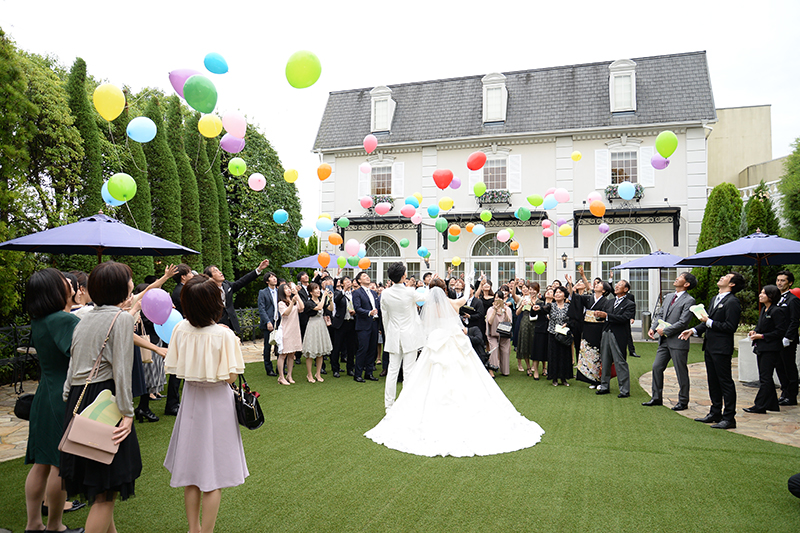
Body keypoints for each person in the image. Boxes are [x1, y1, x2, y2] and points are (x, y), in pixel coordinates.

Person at [364, 281, 545, 457]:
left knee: (427, 376)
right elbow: (466, 297)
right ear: (445, 290)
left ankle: (416, 407)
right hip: (455, 342)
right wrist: (470, 282)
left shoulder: (428, 306)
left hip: (436, 343)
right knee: (466, 375)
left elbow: (424, 325)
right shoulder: (454, 303)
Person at [163, 274, 248, 533]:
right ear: (214, 303)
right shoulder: (224, 335)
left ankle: (194, 529)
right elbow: (230, 377)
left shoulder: (180, 329)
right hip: (217, 400)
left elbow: (176, 367)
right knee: (213, 476)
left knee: (192, 471)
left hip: (191, 398)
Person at [61, 261, 141, 533]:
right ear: (121, 287)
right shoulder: (121, 319)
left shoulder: (83, 317)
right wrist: (128, 413)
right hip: (104, 401)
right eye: (129, 279)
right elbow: (122, 370)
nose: (132, 283)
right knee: (107, 491)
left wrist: (68, 398)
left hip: (78, 399)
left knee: (101, 485)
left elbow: (73, 365)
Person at [23, 269, 85, 533]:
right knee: (60, 465)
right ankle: (55, 525)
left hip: (44, 394)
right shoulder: (62, 319)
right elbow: (80, 354)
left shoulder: (40, 319)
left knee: (42, 463)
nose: (70, 283)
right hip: (62, 397)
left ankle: (34, 524)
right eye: (64, 282)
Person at [680, 272, 744, 430]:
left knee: (725, 382)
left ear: (732, 284)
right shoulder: (715, 298)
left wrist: (709, 322)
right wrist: (693, 330)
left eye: (727, 277)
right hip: (710, 346)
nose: (722, 277)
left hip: (722, 348)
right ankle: (715, 412)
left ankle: (729, 417)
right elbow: (706, 321)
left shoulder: (733, 302)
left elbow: (730, 327)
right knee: (713, 381)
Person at [643, 272, 697, 410]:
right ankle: (656, 397)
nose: (677, 278)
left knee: (680, 371)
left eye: (680, 277)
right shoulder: (668, 297)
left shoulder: (689, 300)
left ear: (686, 284)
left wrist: (665, 331)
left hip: (678, 341)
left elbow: (683, 322)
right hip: (664, 341)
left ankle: (683, 401)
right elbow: (660, 314)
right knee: (656, 367)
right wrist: (653, 328)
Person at [380, 262, 427, 411]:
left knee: (392, 371)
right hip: (410, 335)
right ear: (403, 276)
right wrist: (430, 285)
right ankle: (406, 404)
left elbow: (385, 317)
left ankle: (389, 405)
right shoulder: (410, 292)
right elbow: (425, 298)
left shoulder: (385, 293)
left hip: (394, 335)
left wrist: (388, 334)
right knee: (408, 371)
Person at [744, 285, 788, 414]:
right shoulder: (764, 309)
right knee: (765, 376)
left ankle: (760, 405)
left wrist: (762, 336)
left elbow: (780, 331)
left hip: (771, 348)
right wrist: (755, 331)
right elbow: (760, 326)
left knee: (765, 378)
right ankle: (772, 404)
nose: (760, 295)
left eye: (763, 293)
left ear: (771, 296)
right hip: (761, 347)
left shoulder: (777, 311)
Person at [203, 259, 270, 333]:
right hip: (217, 326)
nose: (220, 272)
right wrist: (214, 324)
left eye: (219, 270)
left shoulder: (227, 285)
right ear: (210, 277)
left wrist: (259, 269)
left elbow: (242, 281)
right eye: (215, 271)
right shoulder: (207, 291)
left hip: (232, 324)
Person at [594, 280, 636, 398]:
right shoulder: (610, 302)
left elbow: (624, 318)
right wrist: (599, 316)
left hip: (619, 335)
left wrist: (607, 316)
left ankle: (624, 390)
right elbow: (605, 316)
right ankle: (604, 386)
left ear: (626, 289)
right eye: (616, 284)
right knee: (605, 360)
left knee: (620, 361)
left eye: (620, 285)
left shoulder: (629, 304)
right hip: (606, 332)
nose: (616, 286)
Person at [573, 272, 612, 388]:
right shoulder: (589, 298)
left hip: (599, 329)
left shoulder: (607, 302)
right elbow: (577, 298)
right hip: (587, 328)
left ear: (604, 291)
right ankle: (591, 379)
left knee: (598, 354)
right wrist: (572, 286)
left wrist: (600, 315)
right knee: (588, 354)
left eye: (599, 284)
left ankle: (599, 380)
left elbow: (607, 315)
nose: (596, 285)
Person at [774, 270, 800, 406]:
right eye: (778, 280)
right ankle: (784, 392)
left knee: (788, 366)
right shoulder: (776, 298)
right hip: (776, 338)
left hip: (787, 340)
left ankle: (792, 395)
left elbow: (795, 321)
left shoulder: (793, 300)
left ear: (790, 283)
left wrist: (788, 338)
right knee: (779, 366)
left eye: (783, 280)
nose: (779, 283)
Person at [302, 282, 333, 383]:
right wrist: (324, 296)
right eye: (316, 289)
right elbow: (319, 307)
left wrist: (330, 299)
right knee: (310, 352)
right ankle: (309, 374)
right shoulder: (309, 302)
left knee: (320, 352)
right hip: (312, 326)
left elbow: (331, 308)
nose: (318, 290)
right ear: (311, 292)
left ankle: (318, 373)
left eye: (319, 288)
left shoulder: (321, 300)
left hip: (321, 325)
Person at [352, 272, 380, 382]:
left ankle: (369, 373)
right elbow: (357, 308)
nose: (367, 277)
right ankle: (358, 374)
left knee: (372, 349)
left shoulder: (373, 293)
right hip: (363, 325)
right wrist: (369, 313)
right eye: (364, 276)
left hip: (374, 323)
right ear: (359, 280)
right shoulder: (357, 292)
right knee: (363, 349)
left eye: (367, 275)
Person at [276, 283, 304, 385]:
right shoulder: (281, 303)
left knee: (292, 354)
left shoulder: (294, 300)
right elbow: (286, 313)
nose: (288, 290)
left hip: (294, 330)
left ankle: (289, 375)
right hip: (286, 330)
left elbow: (302, 308)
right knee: (283, 354)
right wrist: (292, 302)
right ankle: (281, 377)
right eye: (285, 288)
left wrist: (297, 295)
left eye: (289, 288)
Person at [546, 286, 573, 386]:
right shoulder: (551, 306)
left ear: (564, 296)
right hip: (553, 334)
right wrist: (537, 308)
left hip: (564, 334)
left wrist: (568, 324)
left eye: (560, 292)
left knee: (564, 355)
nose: (557, 294)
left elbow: (573, 319)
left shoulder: (568, 306)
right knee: (554, 355)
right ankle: (554, 378)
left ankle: (564, 378)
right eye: (556, 292)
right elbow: (543, 310)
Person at [331, 276, 357, 378]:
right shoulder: (338, 293)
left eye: (349, 280)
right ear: (341, 284)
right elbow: (336, 301)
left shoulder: (354, 294)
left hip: (351, 322)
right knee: (337, 347)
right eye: (346, 280)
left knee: (351, 347)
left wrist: (355, 312)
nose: (348, 282)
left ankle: (350, 368)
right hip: (340, 324)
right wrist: (344, 290)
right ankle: (335, 369)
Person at [257, 271, 280, 377]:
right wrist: (267, 321)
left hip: (279, 322)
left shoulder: (279, 291)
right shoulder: (263, 292)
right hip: (269, 323)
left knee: (280, 346)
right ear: (267, 281)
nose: (274, 278)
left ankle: (280, 367)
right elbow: (261, 309)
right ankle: (269, 369)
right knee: (267, 347)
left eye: (275, 276)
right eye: (271, 277)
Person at [486, 289, 512, 377]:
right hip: (492, 333)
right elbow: (490, 322)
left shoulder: (507, 309)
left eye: (499, 298)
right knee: (494, 348)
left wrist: (505, 311)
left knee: (505, 350)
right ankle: (493, 368)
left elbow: (509, 322)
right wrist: (495, 310)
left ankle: (505, 370)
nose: (497, 300)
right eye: (496, 298)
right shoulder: (490, 309)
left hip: (504, 333)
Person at [513, 282, 535, 376]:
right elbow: (513, 295)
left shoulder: (533, 298)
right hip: (521, 318)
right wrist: (514, 285)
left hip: (532, 319)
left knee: (531, 341)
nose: (525, 289)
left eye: (527, 288)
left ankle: (533, 364)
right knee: (520, 340)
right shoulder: (520, 298)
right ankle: (520, 363)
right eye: (523, 288)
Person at [531, 287, 552, 380]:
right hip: (540, 329)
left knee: (548, 351)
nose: (549, 293)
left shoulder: (555, 305)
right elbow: (532, 314)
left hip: (551, 330)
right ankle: (536, 371)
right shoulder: (540, 303)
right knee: (537, 351)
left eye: (551, 292)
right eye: (547, 291)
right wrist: (533, 308)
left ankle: (545, 369)